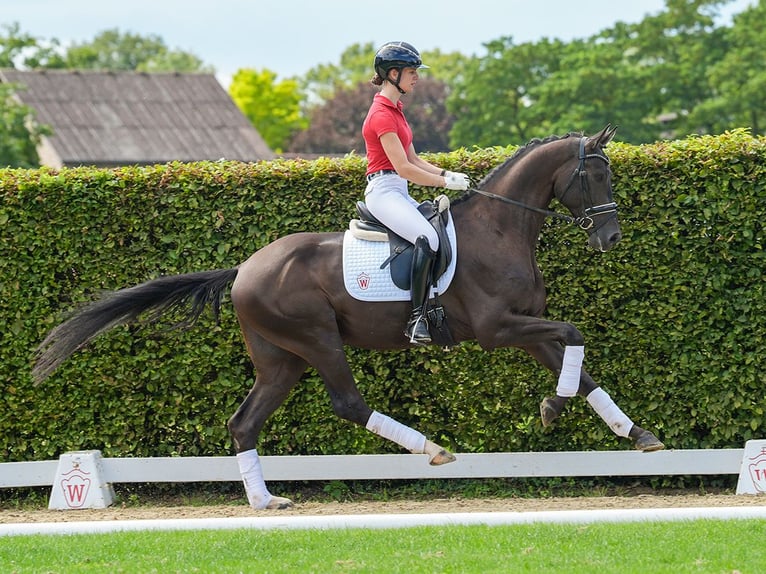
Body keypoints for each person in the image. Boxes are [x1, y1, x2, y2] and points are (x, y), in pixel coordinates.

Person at [362, 41, 470, 345]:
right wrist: (444, 184)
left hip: (398, 189)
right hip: (383, 191)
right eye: (412, 71)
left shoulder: (396, 110)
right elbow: (403, 167)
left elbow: (415, 159)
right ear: (392, 73)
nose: (416, 77)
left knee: (441, 230)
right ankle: (417, 317)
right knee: (427, 238)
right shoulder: (381, 115)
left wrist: (447, 173)